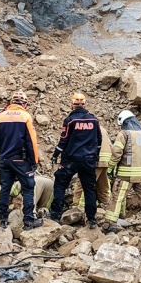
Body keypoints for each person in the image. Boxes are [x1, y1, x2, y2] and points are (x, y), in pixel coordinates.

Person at [0, 91, 41, 230]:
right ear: (24, 104)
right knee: (28, 189)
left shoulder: (0, 117)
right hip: (21, 160)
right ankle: (29, 221)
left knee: (5, 189)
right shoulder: (25, 116)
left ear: (11, 103)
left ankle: (2, 218)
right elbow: (31, 141)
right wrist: (34, 161)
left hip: (5, 159)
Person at [50, 93, 101, 229]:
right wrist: (96, 156)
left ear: (72, 104)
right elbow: (99, 141)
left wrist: (55, 154)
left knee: (60, 185)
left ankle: (55, 215)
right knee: (89, 189)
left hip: (70, 159)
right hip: (88, 159)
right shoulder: (94, 120)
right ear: (84, 104)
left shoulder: (70, 120)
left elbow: (63, 140)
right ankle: (91, 219)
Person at [103, 110, 141, 233]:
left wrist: (110, 168)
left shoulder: (124, 133)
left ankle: (110, 224)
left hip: (126, 174)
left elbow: (116, 153)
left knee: (117, 198)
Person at [73, 125, 112, 209]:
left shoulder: (84, 128)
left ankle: (78, 208)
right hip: (106, 160)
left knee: (83, 183)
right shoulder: (102, 128)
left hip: (94, 160)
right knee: (103, 185)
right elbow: (109, 144)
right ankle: (106, 205)